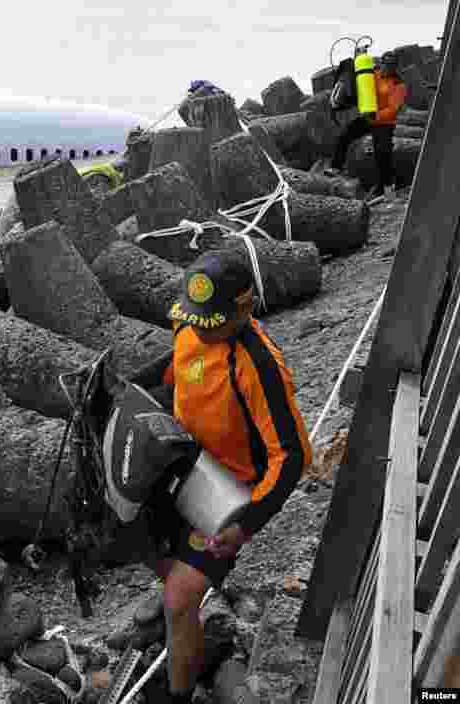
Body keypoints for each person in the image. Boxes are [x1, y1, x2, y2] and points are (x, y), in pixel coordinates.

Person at [129, 248, 313, 704]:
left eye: (212, 325)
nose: (200, 332)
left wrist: (245, 524)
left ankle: (179, 692)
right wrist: (129, 386)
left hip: (228, 491)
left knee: (179, 600)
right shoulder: (191, 325)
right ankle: (186, 624)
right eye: (196, 321)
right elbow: (176, 365)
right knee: (138, 542)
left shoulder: (258, 364)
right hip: (183, 462)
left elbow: (291, 455)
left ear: (242, 311)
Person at [327, 50, 408, 203]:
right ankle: (335, 167)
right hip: (368, 116)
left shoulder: (398, 84)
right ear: (381, 63)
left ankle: (388, 193)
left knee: (383, 155)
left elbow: (393, 109)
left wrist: (375, 115)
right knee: (344, 135)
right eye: (385, 64)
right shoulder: (372, 74)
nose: (386, 68)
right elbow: (361, 90)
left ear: (395, 67)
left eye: (390, 66)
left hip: (384, 123)